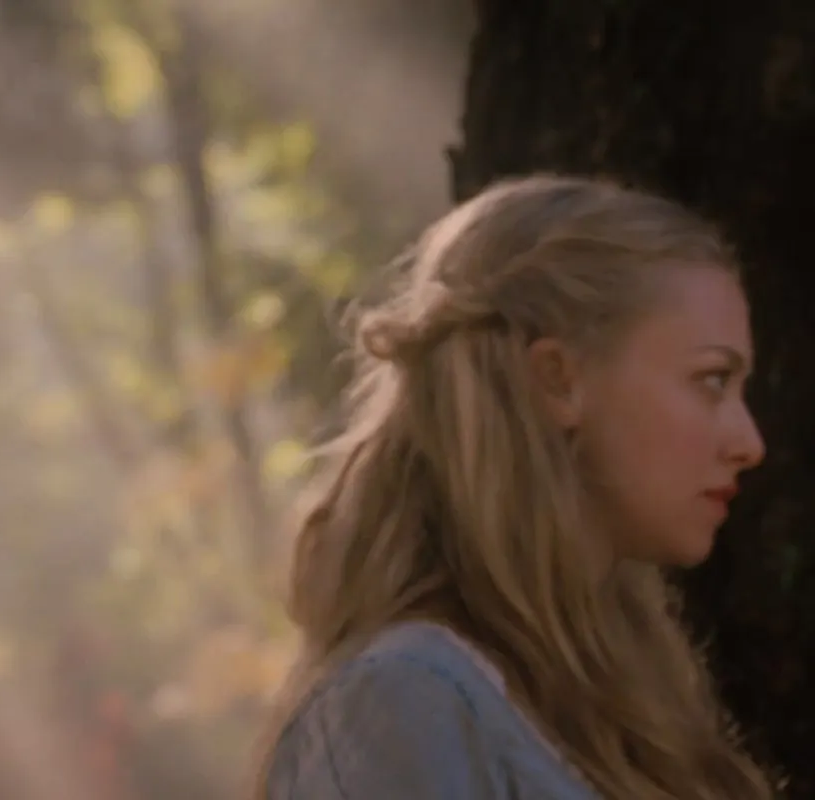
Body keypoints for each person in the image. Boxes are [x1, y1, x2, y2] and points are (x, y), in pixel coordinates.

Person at [256, 174, 779, 799]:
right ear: (559, 379)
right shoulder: (406, 699)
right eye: (712, 380)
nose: (750, 443)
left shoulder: (617, 699)